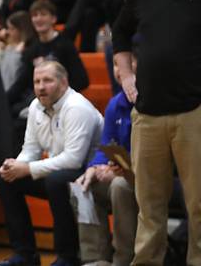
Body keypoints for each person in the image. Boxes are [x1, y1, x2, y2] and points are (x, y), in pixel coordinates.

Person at [112, 0, 201, 265]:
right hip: (147, 115)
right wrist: (125, 76)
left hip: (193, 113)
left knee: (198, 205)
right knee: (149, 206)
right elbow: (118, 34)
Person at [0, 60, 103, 266]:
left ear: (63, 82)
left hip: (91, 175)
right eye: (37, 81)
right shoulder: (36, 105)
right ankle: (25, 255)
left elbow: (73, 160)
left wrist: (28, 168)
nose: (41, 87)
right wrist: (16, 166)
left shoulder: (77, 107)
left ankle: (68, 257)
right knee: (5, 179)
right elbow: (31, 149)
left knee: (56, 181)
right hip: (59, 171)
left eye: (47, 81)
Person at [73, 58, 137, 266]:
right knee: (81, 185)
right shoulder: (115, 104)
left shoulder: (152, 103)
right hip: (121, 170)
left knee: (120, 186)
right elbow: (106, 145)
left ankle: (123, 259)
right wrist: (94, 168)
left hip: (147, 176)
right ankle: (96, 258)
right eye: (116, 65)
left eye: (126, 64)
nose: (119, 70)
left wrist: (120, 170)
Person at [6, 0, 90, 146]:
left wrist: (59, 95)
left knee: (23, 121)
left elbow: (82, 80)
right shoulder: (31, 49)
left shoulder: (65, 45)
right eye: (35, 15)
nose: (38, 18)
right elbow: (22, 82)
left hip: (62, 101)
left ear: (53, 19)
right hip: (38, 99)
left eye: (43, 14)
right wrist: (2, 101)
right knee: (8, 115)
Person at [0, 11, 36, 92]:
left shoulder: (28, 49)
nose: (8, 32)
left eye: (12, 29)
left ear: (22, 29)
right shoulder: (9, 46)